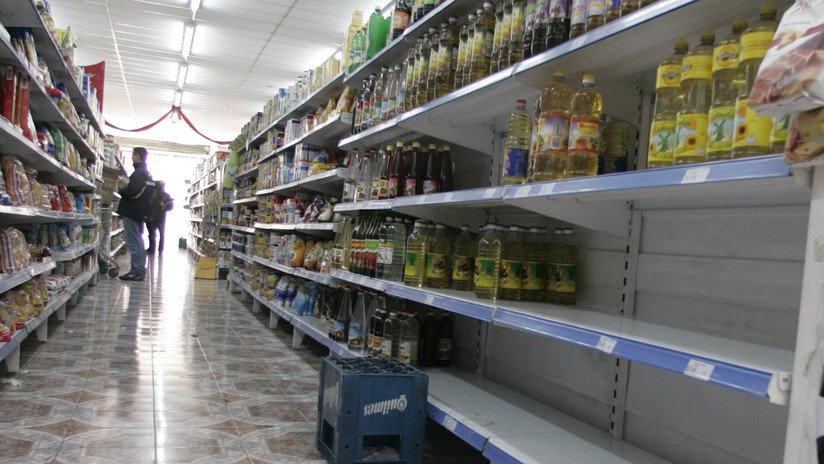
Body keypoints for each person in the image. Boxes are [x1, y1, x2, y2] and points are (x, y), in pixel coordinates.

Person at [116, 147, 154, 281]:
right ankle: (140, 269)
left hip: (131, 211)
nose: (132, 157)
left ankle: (136, 270)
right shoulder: (145, 173)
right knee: (138, 241)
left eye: (133, 155)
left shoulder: (139, 173)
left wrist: (121, 189)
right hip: (138, 212)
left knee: (133, 242)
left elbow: (132, 192)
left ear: (137, 156)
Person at [146, 180, 173, 255]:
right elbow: (148, 205)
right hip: (153, 217)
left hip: (160, 218)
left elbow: (171, 207)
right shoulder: (152, 194)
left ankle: (160, 250)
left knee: (160, 235)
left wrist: (165, 206)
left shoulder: (166, 196)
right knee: (152, 235)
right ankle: (152, 249)